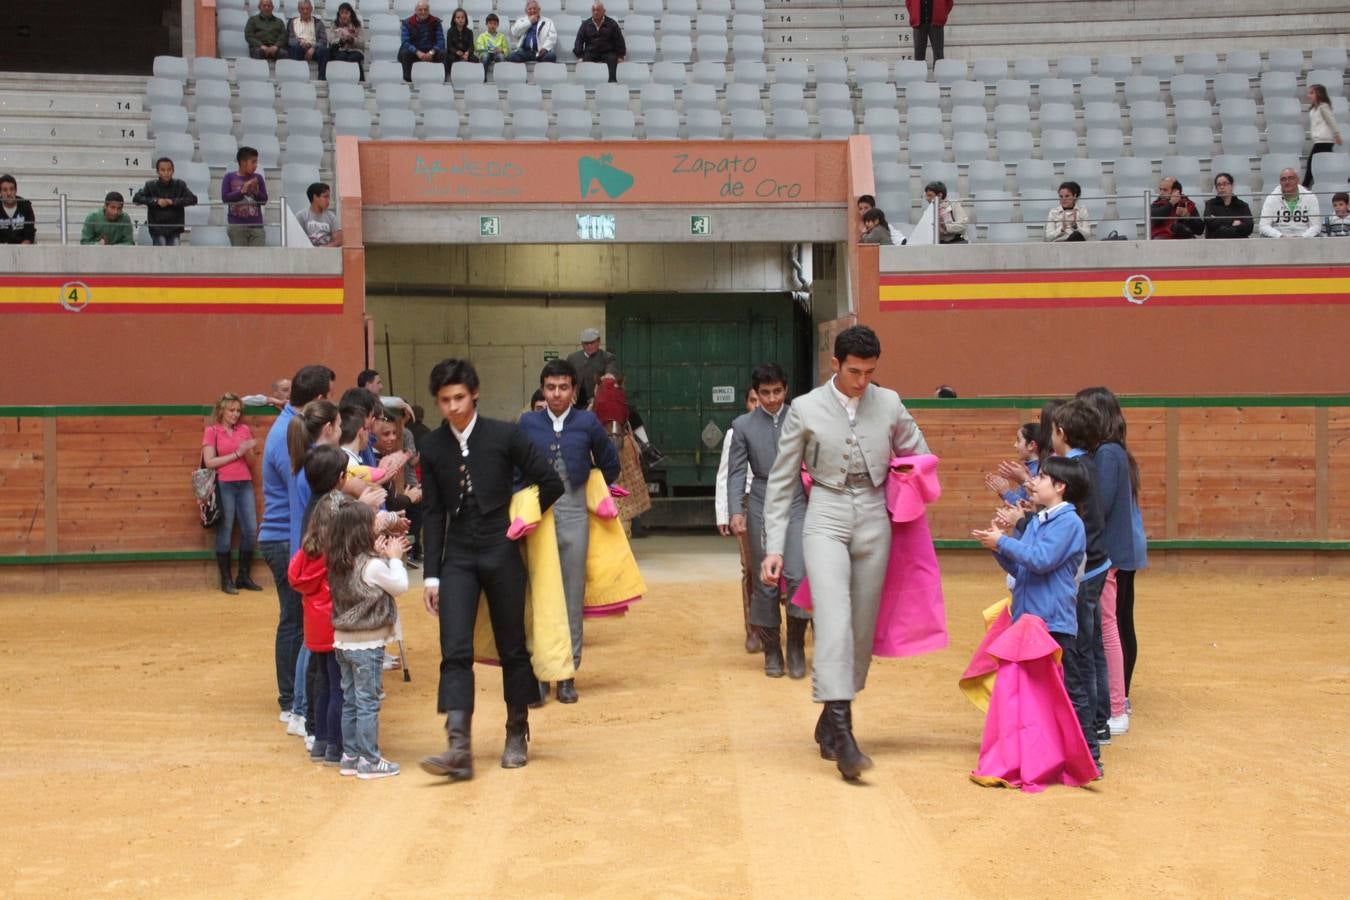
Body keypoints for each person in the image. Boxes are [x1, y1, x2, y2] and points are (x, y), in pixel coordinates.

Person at [760, 325, 929, 781]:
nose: (862, 381)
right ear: (835, 365)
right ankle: (845, 733)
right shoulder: (806, 408)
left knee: (860, 629)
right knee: (833, 619)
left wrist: (910, 485)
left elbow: (920, 456)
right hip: (826, 513)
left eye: (870, 373)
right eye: (854, 371)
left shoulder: (889, 402)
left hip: (875, 515)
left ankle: (828, 723)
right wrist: (774, 546)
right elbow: (780, 481)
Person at [418, 359, 564, 780]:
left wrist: (528, 515)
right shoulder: (431, 447)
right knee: (455, 649)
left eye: (459, 397)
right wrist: (432, 575)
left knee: (512, 646)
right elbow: (431, 513)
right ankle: (458, 746)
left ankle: (517, 730)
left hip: (502, 548)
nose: (452, 407)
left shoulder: (504, 435)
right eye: (444, 401)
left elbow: (549, 480)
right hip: (459, 555)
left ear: (474, 393)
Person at [971, 456, 1094, 774]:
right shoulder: (1040, 521)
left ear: (1060, 486)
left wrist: (1004, 542)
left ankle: (1088, 754)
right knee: (1034, 693)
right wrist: (999, 548)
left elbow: (1040, 560)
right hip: (1030, 619)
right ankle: (1044, 755)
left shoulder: (1068, 522)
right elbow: (1021, 568)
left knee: (1068, 689)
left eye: (1041, 478)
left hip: (1052, 621)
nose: (1033, 482)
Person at [517, 359, 621, 703]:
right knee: (537, 594)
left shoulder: (587, 422)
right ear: (542, 391)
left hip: (575, 513)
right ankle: (538, 673)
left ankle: (566, 673)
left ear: (574, 391)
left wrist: (591, 485)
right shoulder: (528, 423)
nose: (557, 394)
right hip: (539, 516)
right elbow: (513, 469)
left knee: (571, 596)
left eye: (563, 387)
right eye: (550, 388)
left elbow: (611, 464)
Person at [259, 365, 335, 730]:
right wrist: (301, 556)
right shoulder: (287, 435)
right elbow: (297, 501)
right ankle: (291, 700)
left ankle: (296, 699)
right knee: (295, 622)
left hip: (290, 537)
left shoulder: (291, 427)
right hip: (285, 538)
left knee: (299, 622)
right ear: (319, 399)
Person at [729, 364, 811, 680]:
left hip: (796, 499)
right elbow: (736, 472)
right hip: (761, 498)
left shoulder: (801, 418)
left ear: (786, 389)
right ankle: (772, 649)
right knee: (764, 578)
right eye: (765, 393)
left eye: (777, 391)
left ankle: (795, 646)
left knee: (799, 572)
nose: (772, 398)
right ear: (756, 394)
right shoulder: (743, 425)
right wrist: (736, 510)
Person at [1076, 386, 1146, 737]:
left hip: (1112, 551)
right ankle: (1120, 698)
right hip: (1120, 548)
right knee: (1117, 621)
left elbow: (1099, 504)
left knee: (1112, 625)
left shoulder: (1107, 454)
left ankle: (1119, 700)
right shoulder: (1115, 452)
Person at [327, 498, 408, 780]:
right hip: (367, 643)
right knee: (368, 702)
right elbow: (400, 585)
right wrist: (395, 560)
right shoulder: (371, 566)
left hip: (343, 641)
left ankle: (351, 755)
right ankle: (370, 760)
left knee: (351, 699)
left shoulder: (337, 562)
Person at [288, 445, 349, 767]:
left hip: (314, 623)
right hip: (334, 621)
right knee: (339, 685)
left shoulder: (308, 546)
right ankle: (336, 746)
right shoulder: (334, 546)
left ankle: (322, 741)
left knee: (324, 681)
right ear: (340, 479)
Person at [566, 328, 664, 464]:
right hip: (578, 400)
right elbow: (566, 377)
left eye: (592, 343)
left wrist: (608, 378)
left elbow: (611, 371)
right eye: (585, 343)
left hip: (602, 400)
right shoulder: (572, 358)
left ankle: (647, 447)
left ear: (598, 342)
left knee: (632, 412)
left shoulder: (607, 357)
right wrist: (569, 393)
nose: (589, 346)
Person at [715, 386, 762, 653]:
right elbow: (726, 475)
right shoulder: (735, 433)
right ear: (746, 403)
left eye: (761, 399)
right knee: (750, 568)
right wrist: (724, 513)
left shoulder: (784, 427)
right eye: (752, 400)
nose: (757, 405)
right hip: (744, 502)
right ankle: (753, 629)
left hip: (775, 502)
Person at [202, 393, 263, 595]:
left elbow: (252, 463)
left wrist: (247, 452)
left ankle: (243, 576)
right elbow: (209, 462)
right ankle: (226, 579)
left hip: (244, 482)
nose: (236, 414)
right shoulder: (212, 431)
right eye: (232, 410)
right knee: (225, 532)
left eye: (238, 411)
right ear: (222, 411)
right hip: (224, 483)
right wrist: (237, 453)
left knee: (251, 530)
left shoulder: (244, 430)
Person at [132, 158, 197, 247]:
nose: (166, 173)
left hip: (174, 227)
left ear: (173, 171)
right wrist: (156, 201)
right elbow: (137, 198)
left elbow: (193, 199)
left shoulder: (180, 184)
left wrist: (173, 202)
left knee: (175, 252)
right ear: (158, 172)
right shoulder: (150, 185)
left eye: (169, 170)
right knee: (161, 253)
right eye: (163, 170)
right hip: (157, 228)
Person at [222, 146, 268, 247]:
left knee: (258, 257)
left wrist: (256, 191)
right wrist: (242, 191)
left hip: (256, 227)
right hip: (236, 226)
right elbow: (225, 198)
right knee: (240, 258)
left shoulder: (258, 178)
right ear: (243, 162)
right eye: (253, 162)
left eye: (256, 162)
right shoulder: (229, 177)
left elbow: (264, 200)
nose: (255, 165)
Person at [1259, 167, 1322, 238]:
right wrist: (1280, 236)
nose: (1287, 182)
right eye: (1283, 179)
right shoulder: (1271, 198)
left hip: (1305, 240)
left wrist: (1303, 237)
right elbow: (1263, 226)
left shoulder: (1310, 197)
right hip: (1278, 240)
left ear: (1298, 180)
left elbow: (1316, 226)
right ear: (1280, 182)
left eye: (1291, 178)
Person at [573, 2, 626, 83]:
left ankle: (612, 82)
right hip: (591, 52)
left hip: (608, 52)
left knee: (613, 59)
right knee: (584, 60)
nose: (595, 12)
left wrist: (620, 55)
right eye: (593, 10)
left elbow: (619, 40)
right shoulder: (586, 24)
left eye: (598, 10)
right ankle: (586, 83)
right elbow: (579, 41)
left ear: (604, 11)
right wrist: (580, 56)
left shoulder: (612, 24)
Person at [1303, 84, 1342, 189]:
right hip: (1318, 141)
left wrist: (1336, 134)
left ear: (1319, 94)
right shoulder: (1313, 109)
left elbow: (1331, 121)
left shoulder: (1323, 107)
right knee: (1324, 163)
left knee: (1312, 162)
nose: (1309, 95)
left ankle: (1305, 184)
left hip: (1324, 141)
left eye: (1312, 93)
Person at [399, 1, 447, 83]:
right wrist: (417, 52)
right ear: (416, 11)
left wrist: (431, 52)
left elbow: (441, 41)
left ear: (429, 11)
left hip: (431, 51)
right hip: (415, 51)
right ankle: (409, 80)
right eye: (420, 10)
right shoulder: (407, 23)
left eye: (425, 10)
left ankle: (440, 77)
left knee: (444, 52)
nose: (423, 12)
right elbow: (405, 42)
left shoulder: (436, 22)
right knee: (405, 52)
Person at [1202, 172, 1255, 240]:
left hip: (1239, 245)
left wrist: (1220, 225)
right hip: (1216, 244)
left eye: (1225, 184)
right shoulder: (1210, 204)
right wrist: (1233, 221)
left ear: (1232, 185)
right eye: (1219, 185)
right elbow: (1210, 223)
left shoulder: (1242, 205)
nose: (1222, 187)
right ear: (1216, 188)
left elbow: (1249, 227)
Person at [287, 0, 329, 80]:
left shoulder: (318, 23)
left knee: (324, 50)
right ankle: (297, 77)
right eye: (302, 9)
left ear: (311, 9)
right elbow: (290, 40)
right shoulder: (292, 22)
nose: (305, 11)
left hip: (314, 49)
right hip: (299, 47)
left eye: (307, 9)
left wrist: (313, 47)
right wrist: (300, 42)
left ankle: (322, 78)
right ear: (299, 10)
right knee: (295, 48)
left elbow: (323, 40)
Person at [296, 182, 343, 248]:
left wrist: (325, 248)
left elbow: (339, 240)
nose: (328, 200)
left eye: (329, 197)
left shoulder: (331, 217)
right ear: (315, 197)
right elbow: (297, 239)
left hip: (327, 254)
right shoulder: (301, 216)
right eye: (325, 197)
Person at [330, 3, 365, 80]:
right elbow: (331, 40)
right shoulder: (335, 25)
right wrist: (341, 39)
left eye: (346, 13)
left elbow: (362, 43)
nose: (344, 15)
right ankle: (341, 80)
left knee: (353, 58)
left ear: (350, 14)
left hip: (355, 50)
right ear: (339, 14)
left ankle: (359, 81)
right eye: (342, 13)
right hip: (341, 50)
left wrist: (352, 40)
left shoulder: (357, 25)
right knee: (341, 57)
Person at [0, 174, 36, 244]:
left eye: (11, 189)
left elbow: (29, 235)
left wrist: (19, 251)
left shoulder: (25, 206)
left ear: (16, 190)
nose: (9, 193)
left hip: (23, 249)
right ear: (0, 192)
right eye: (5, 190)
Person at [475, 13, 509, 77]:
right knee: (485, 56)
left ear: (497, 25)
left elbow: (506, 50)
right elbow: (479, 50)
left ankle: (501, 77)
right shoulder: (482, 36)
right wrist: (490, 50)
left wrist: (501, 50)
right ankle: (483, 77)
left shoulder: (502, 36)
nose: (492, 26)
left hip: (497, 54)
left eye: (495, 24)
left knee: (501, 56)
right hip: (486, 53)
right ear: (486, 24)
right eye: (490, 23)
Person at [446, 8, 477, 73]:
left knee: (474, 59)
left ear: (465, 19)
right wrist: (456, 52)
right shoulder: (450, 31)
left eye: (462, 17)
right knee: (450, 58)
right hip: (455, 54)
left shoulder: (469, 32)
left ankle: (471, 75)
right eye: (458, 17)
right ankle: (453, 75)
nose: (460, 19)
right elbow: (449, 46)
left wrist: (467, 53)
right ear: (454, 19)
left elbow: (471, 46)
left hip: (466, 54)